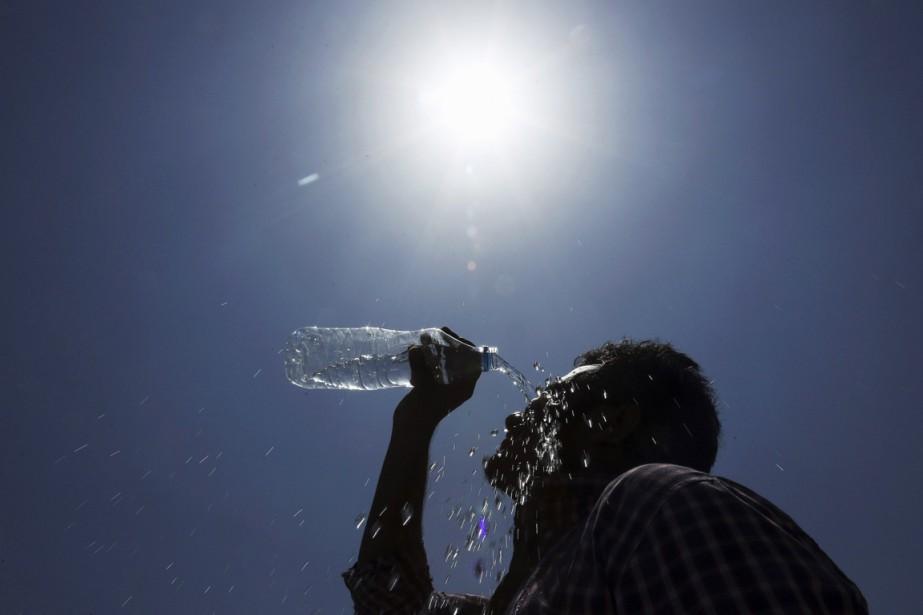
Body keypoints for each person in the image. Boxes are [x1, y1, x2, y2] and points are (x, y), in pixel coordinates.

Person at [344, 329, 867, 614]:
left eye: (551, 398)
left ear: (613, 422)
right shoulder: (532, 592)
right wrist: (417, 418)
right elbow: (390, 600)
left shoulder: (658, 506)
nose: (514, 415)